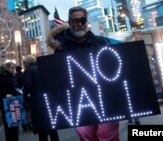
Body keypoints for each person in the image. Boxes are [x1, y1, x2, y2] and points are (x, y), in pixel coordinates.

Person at [46, 6, 120, 141]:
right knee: (87, 137)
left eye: (83, 20)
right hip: (79, 103)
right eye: (75, 21)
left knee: (107, 136)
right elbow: (58, 79)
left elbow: (114, 69)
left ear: (86, 22)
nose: (79, 24)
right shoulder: (61, 50)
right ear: (69, 22)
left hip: (106, 99)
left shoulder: (101, 42)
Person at [23, 55, 59, 141]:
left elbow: (27, 85)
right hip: (48, 97)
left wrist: (25, 95)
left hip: (37, 99)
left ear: (27, 63)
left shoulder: (28, 71)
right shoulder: (43, 68)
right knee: (51, 122)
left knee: (41, 124)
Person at [0, 62, 22, 141]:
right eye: (12, 68)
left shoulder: (15, 76)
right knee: (9, 124)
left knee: (16, 123)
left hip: (15, 101)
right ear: (7, 68)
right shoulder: (2, 76)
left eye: (14, 68)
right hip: (6, 102)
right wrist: (6, 94)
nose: (14, 69)